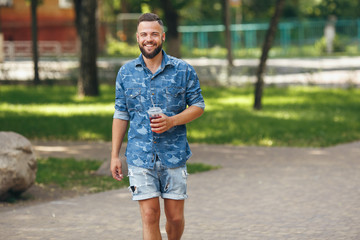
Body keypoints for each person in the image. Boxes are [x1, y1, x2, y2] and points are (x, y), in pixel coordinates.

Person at [110, 13, 205, 240]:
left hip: (174, 154)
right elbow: (121, 113)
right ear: (137, 38)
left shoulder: (182, 70)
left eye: (153, 34)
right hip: (140, 156)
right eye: (144, 34)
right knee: (150, 216)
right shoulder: (125, 72)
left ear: (162, 36)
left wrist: (172, 121)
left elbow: (198, 105)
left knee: (174, 218)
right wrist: (114, 155)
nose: (148, 38)